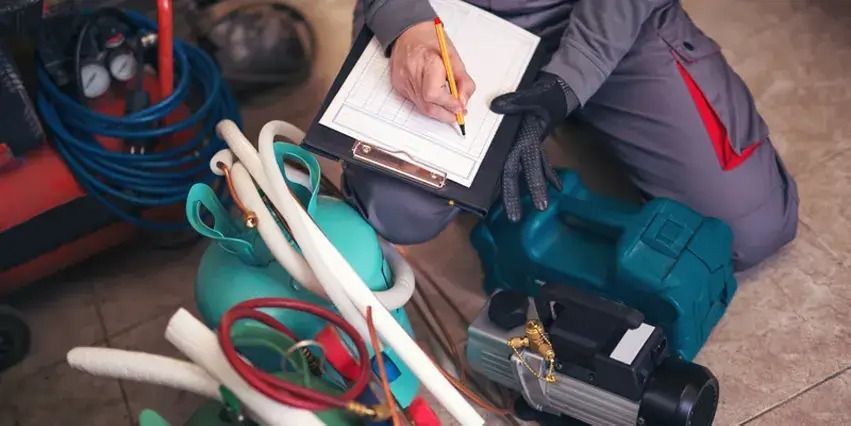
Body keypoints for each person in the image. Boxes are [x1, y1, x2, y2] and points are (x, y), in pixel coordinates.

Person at [342, 0, 799, 271]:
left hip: (602, 14)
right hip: (445, 18)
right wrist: (406, 24)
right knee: (397, 209)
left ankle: (580, 116)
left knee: (746, 230)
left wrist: (573, 78)